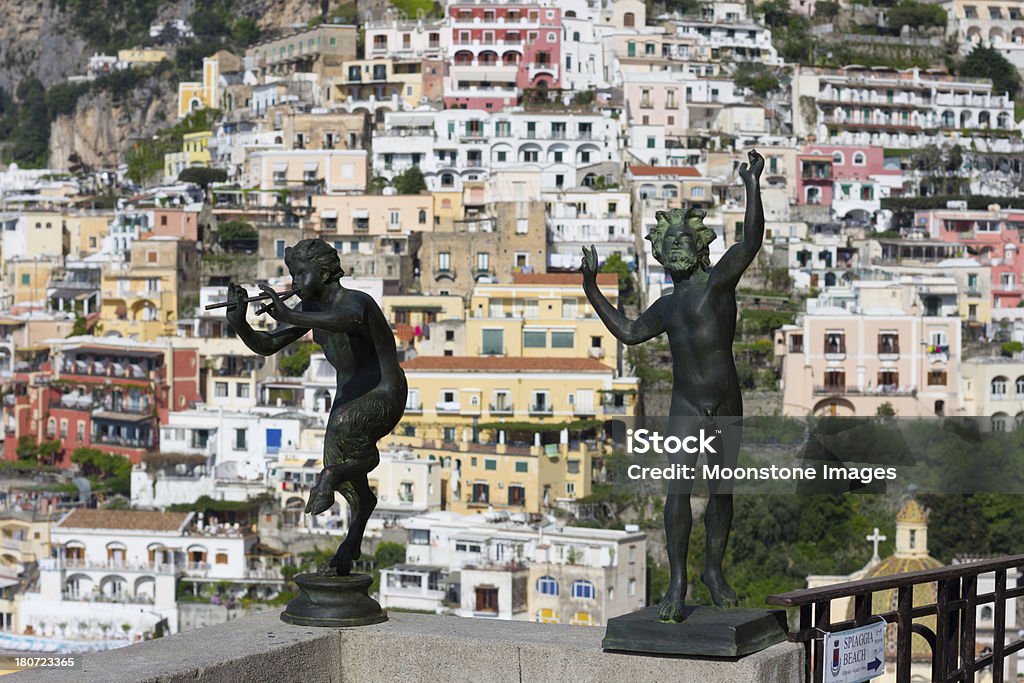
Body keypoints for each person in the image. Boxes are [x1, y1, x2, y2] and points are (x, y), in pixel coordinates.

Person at [582, 149, 765, 621]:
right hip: (686, 405)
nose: (677, 249)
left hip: (725, 402)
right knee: (677, 492)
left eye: (685, 241)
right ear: (661, 254)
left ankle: (713, 572)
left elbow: (750, 242)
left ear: (700, 248)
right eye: (670, 244)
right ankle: (678, 582)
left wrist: (751, 184)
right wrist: (591, 287)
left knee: (722, 491)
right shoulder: (665, 306)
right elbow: (627, 331)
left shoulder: (719, 284)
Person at [226, 238, 407, 575]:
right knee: (346, 473)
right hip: (350, 396)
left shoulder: (357, 302)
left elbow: (349, 321)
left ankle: (332, 477)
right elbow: (267, 346)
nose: (293, 282)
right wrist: (240, 324)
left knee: (342, 444)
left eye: (300, 274)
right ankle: (350, 542)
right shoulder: (309, 311)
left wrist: (289, 312)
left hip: (385, 391)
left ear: (323, 273)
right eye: (291, 275)